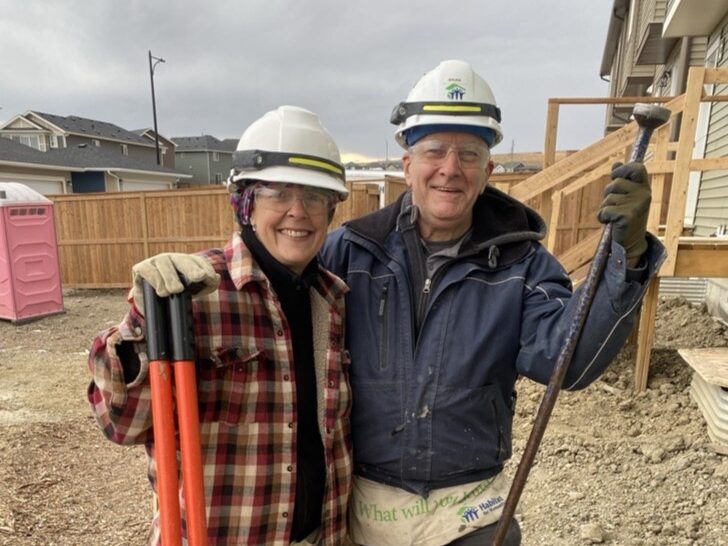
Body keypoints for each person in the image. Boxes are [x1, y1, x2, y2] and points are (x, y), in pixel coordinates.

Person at [319, 60, 666, 546]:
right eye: (434, 150)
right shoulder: (351, 252)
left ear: (488, 170)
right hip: (360, 502)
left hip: (468, 511)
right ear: (407, 165)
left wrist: (624, 259)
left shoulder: (523, 264)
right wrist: (208, 278)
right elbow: (278, 306)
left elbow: (568, 362)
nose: (450, 169)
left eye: (468, 153)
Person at [87, 105, 353, 546]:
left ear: (331, 209)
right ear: (244, 202)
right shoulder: (193, 292)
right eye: (278, 192)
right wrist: (142, 322)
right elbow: (122, 423)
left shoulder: (333, 300)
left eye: (315, 196)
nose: (298, 212)